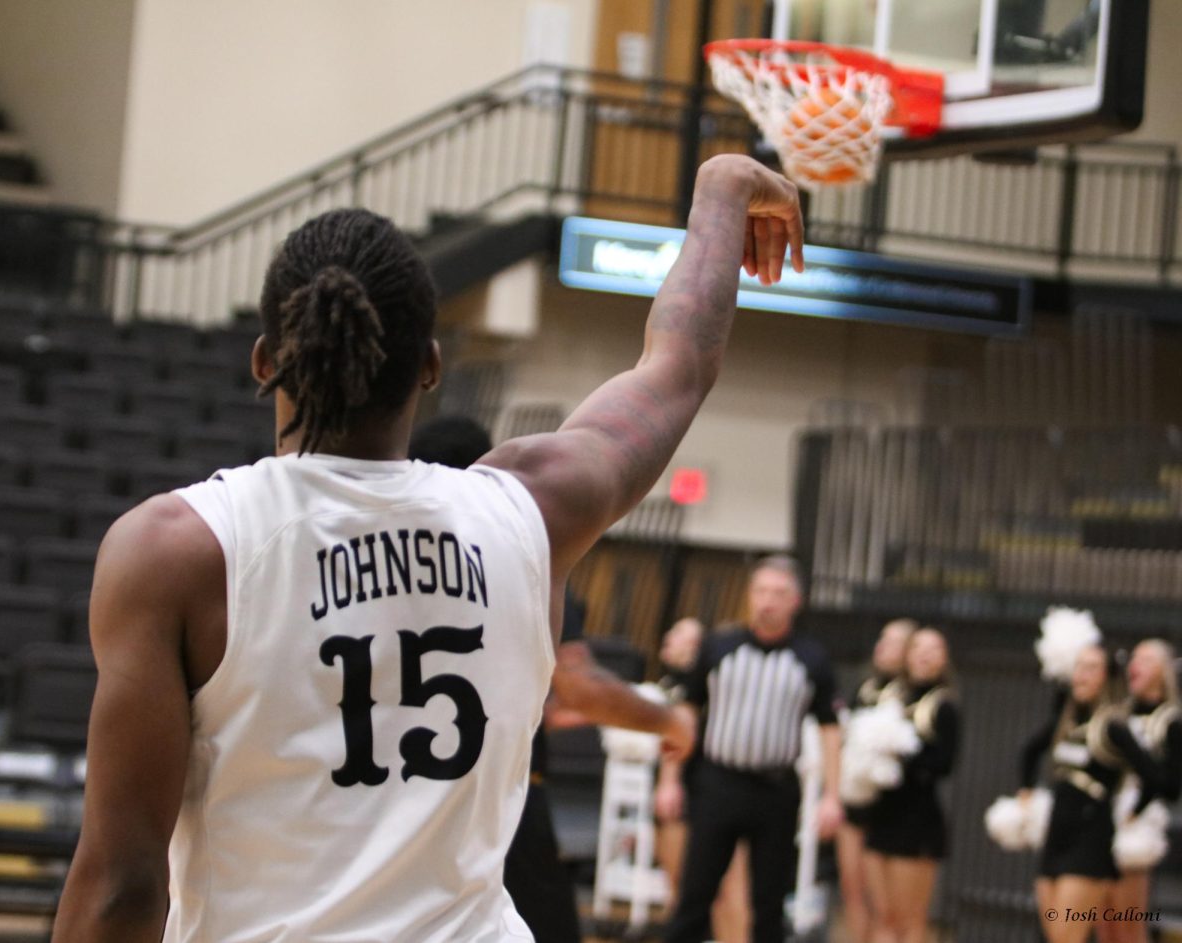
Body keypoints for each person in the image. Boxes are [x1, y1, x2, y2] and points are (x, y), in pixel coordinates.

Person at [50, 153, 804, 942]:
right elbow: (678, 366)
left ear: (267, 361)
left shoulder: (176, 550)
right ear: (432, 367)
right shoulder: (531, 510)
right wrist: (720, 188)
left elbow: (122, 886)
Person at [410, 413, 697, 943]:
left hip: (391, 800)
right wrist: (669, 719)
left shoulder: (372, 570)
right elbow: (580, 689)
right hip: (494, 806)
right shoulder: (519, 566)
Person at [658, 555, 842, 943]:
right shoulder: (718, 647)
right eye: (760, 591)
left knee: (769, 903)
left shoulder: (812, 658)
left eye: (778, 593)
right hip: (717, 783)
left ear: (796, 600)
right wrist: (670, 779)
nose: (767, 601)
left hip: (775, 791)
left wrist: (832, 796)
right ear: (749, 596)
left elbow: (830, 730)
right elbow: (684, 714)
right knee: (695, 895)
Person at [1021, 643, 1164, 943]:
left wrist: (1134, 811)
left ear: (1105, 677)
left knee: (1067, 937)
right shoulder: (1066, 720)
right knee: (1052, 936)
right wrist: (1026, 791)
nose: (1082, 675)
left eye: (1091, 668)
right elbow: (1029, 752)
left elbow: (1156, 777)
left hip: (1089, 841)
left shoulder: (1112, 726)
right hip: (1056, 837)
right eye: (1079, 667)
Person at [654, 617, 752, 943]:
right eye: (674, 630)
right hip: (675, 790)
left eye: (683, 634)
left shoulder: (716, 683)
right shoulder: (670, 683)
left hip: (708, 791)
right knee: (681, 889)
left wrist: (672, 780)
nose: (671, 637)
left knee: (728, 890)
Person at [862, 627, 958, 943]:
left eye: (934, 649)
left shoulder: (944, 705)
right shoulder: (891, 695)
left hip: (917, 823)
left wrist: (901, 755)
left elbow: (944, 764)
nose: (925, 654)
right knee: (881, 916)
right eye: (918, 646)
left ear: (944, 659)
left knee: (910, 922)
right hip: (880, 816)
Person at [837, 618, 916, 943]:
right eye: (882, 639)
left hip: (891, 810)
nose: (883, 647)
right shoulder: (865, 686)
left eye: (895, 642)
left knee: (887, 907)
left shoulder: (912, 695)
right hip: (854, 802)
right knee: (852, 892)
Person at [1099, 639, 1182, 943]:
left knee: (1127, 926)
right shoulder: (1117, 714)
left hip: (1136, 821)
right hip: (1103, 816)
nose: (1135, 664)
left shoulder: (1169, 721)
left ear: (1163, 671)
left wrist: (1136, 809)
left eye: (1146, 659)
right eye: (1134, 658)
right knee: (1103, 925)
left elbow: (1171, 786)